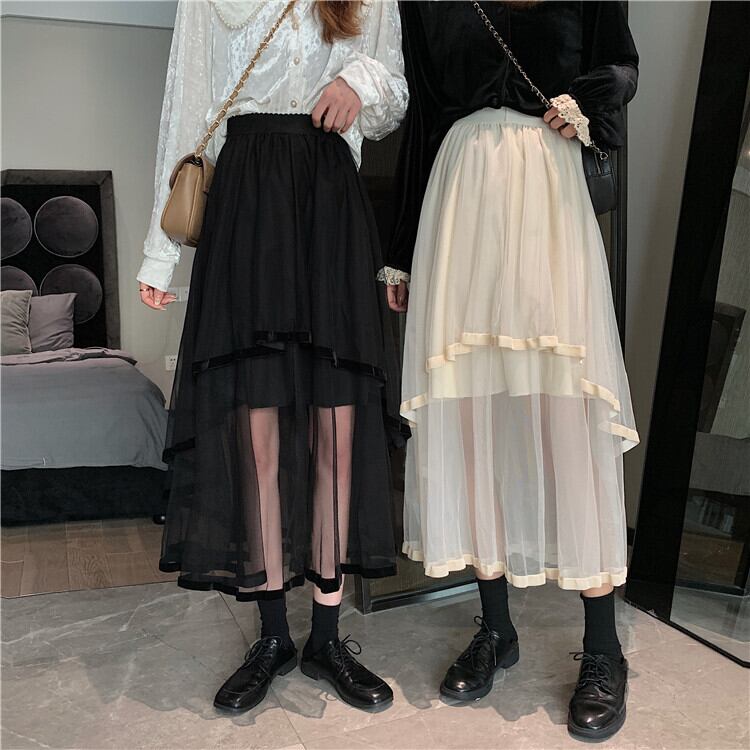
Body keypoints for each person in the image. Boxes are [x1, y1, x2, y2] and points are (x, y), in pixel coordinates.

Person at [137, 0, 408, 714]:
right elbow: (186, 103)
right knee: (256, 432)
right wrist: (160, 254)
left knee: (335, 430)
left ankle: (327, 636)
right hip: (246, 201)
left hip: (329, 199)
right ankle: (272, 636)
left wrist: (359, 83)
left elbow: (393, 99)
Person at [382, 1, 639, 741]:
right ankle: (496, 628)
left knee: (566, 408)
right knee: (472, 417)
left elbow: (622, 67)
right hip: (458, 198)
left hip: (547, 192)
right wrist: (400, 251)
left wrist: (583, 101)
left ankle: (603, 648)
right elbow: (423, 120)